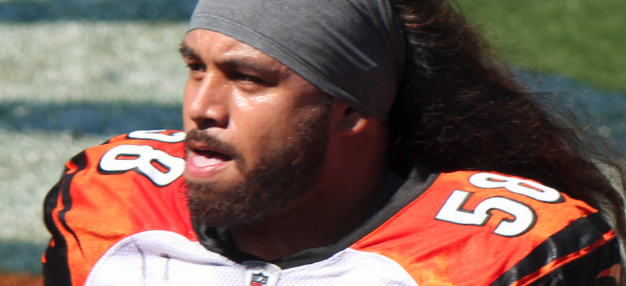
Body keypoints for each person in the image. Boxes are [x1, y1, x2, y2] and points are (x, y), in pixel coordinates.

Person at [42, 0, 625, 285]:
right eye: (196, 68)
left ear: (350, 112)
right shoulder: (113, 207)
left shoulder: (501, 259)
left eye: (248, 78)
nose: (202, 108)